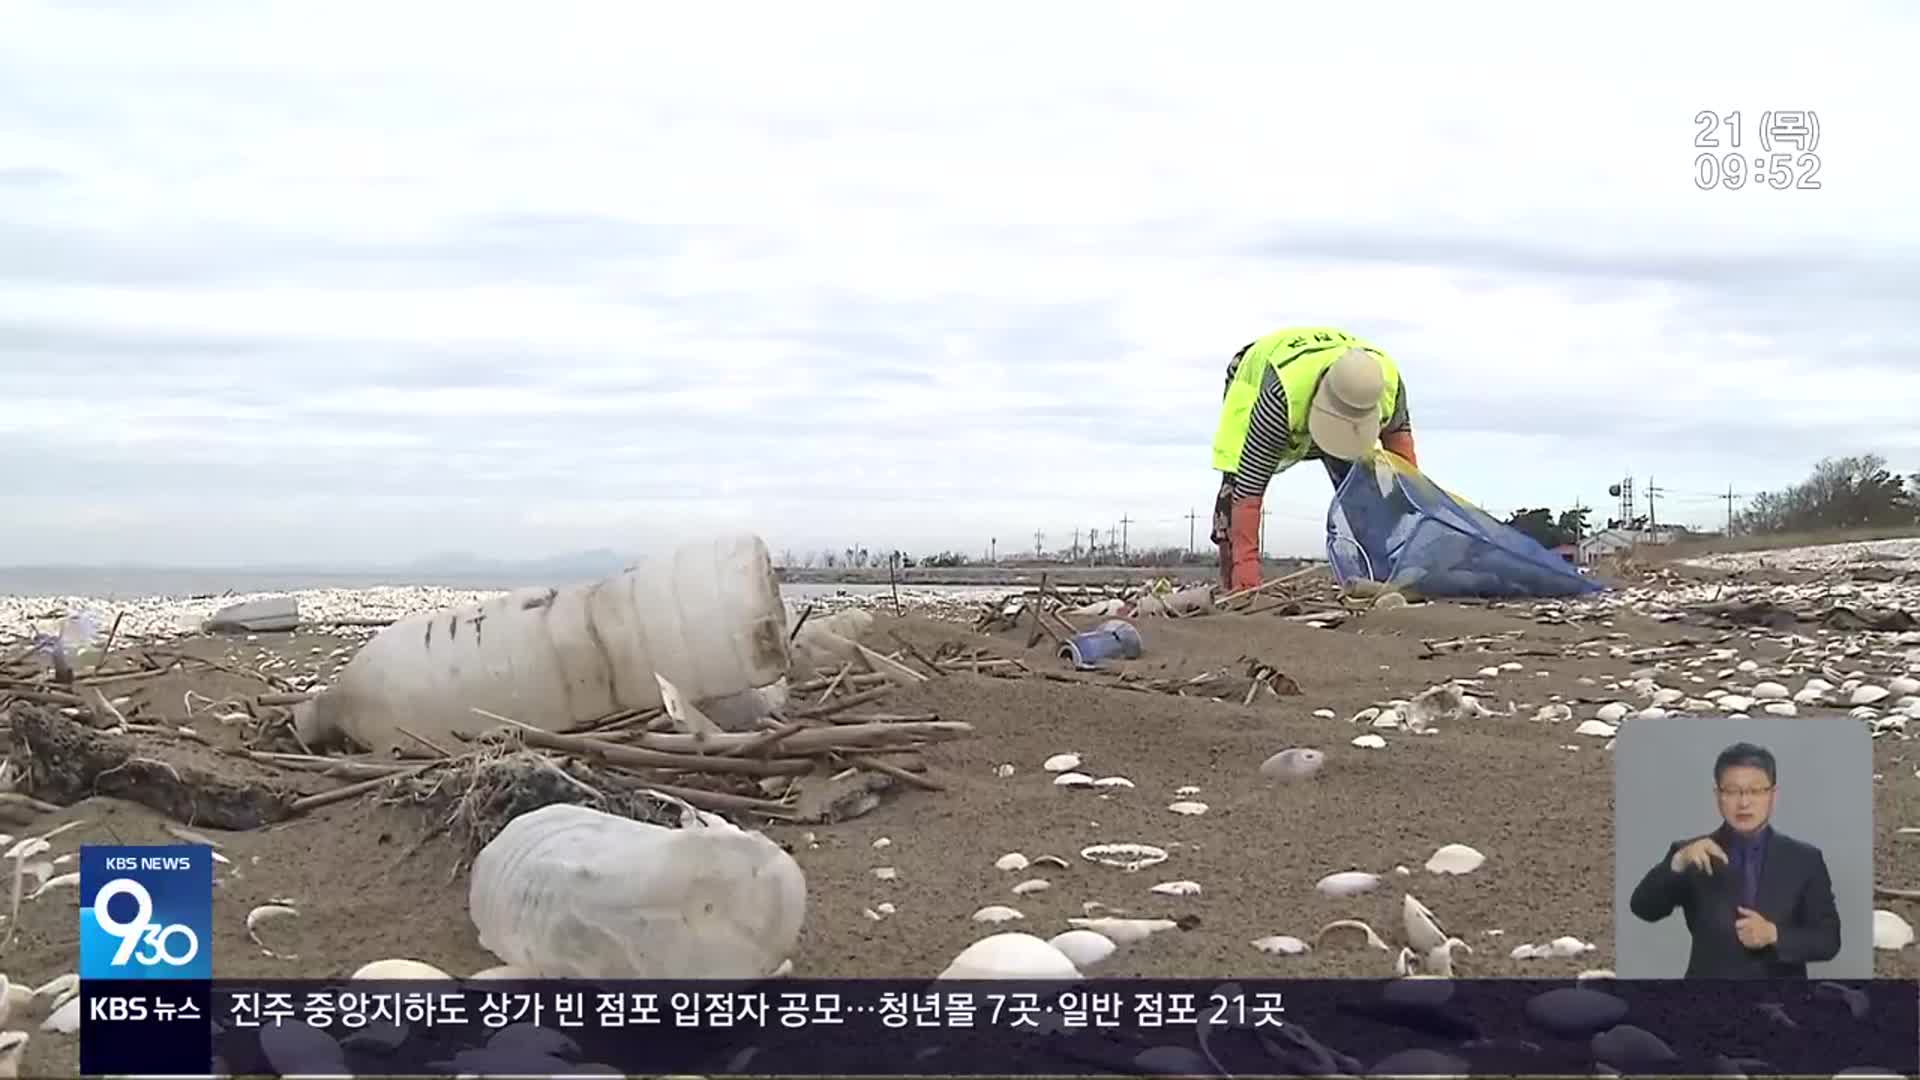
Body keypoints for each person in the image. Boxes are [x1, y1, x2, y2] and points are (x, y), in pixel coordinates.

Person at [1208, 326, 1418, 592]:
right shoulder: (1278, 398)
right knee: (1236, 484)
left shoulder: (1388, 384)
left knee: (1361, 490)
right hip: (1259, 378)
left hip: (1328, 384)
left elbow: (1406, 474)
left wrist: (1412, 537)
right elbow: (1249, 492)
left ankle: (1375, 572)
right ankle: (1233, 581)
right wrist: (1245, 573)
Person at [1627, 741, 1841, 978]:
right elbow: (1643, 908)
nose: (1744, 803)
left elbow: (1828, 940)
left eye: (1756, 790)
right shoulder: (1692, 854)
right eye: (1731, 791)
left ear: (1773, 794)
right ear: (1717, 795)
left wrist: (1773, 934)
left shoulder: (1804, 859)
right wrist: (1677, 862)